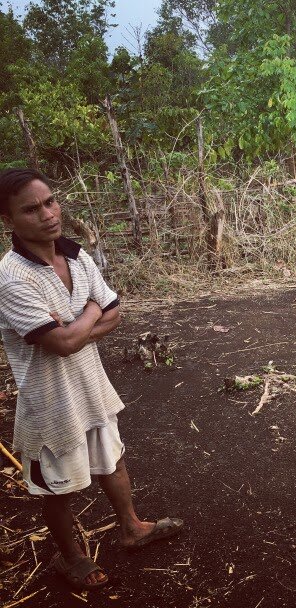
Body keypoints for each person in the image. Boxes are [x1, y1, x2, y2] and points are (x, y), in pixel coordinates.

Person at [0, 169, 184, 591]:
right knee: (57, 486)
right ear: (8, 220)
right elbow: (63, 343)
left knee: (112, 460)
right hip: (49, 401)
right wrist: (87, 313)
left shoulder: (77, 256)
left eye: (50, 202)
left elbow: (114, 315)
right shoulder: (12, 278)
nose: (48, 214)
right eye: (31, 209)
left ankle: (132, 527)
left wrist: (75, 326)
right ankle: (71, 559)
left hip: (90, 384)